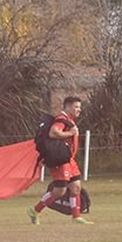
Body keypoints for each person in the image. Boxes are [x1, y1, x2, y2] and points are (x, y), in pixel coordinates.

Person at [29, 96, 90, 224]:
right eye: (76, 107)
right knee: (59, 191)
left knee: (76, 187)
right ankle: (35, 210)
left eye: (80, 107)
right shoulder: (61, 120)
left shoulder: (69, 120)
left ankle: (76, 217)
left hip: (69, 160)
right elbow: (53, 132)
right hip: (60, 160)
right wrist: (70, 133)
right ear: (67, 107)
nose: (79, 109)